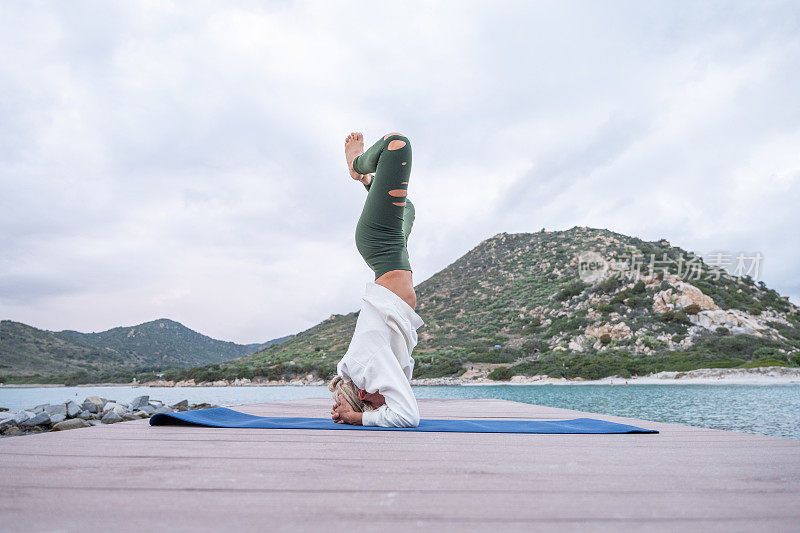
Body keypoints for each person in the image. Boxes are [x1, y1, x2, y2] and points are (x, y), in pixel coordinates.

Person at [329, 132, 424, 428]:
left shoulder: (368, 365)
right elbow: (402, 407)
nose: (390, 394)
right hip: (393, 255)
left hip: (381, 247)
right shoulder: (375, 373)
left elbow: (407, 417)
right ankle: (368, 182)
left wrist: (355, 417)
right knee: (407, 208)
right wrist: (356, 414)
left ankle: (357, 167)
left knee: (397, 144)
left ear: (363, 393)